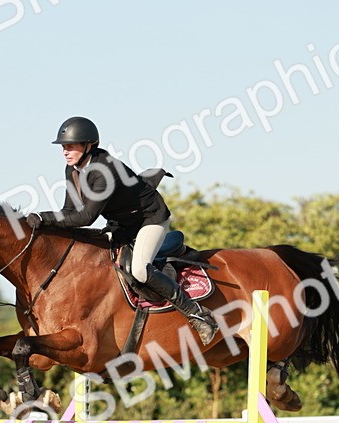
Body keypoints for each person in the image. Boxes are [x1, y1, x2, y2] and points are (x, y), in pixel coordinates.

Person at [25, 116, 218, 346]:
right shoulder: (73, 170)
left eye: (71, 146)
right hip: (122, 224)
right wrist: (44, 222)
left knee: (139, 270)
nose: (65, 152)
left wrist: (43, 217)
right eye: (64, 147)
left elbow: (86, 217)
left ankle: (197, 314)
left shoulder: (105, 170)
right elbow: (68, 210)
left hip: (150, 219)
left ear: (89, 145)